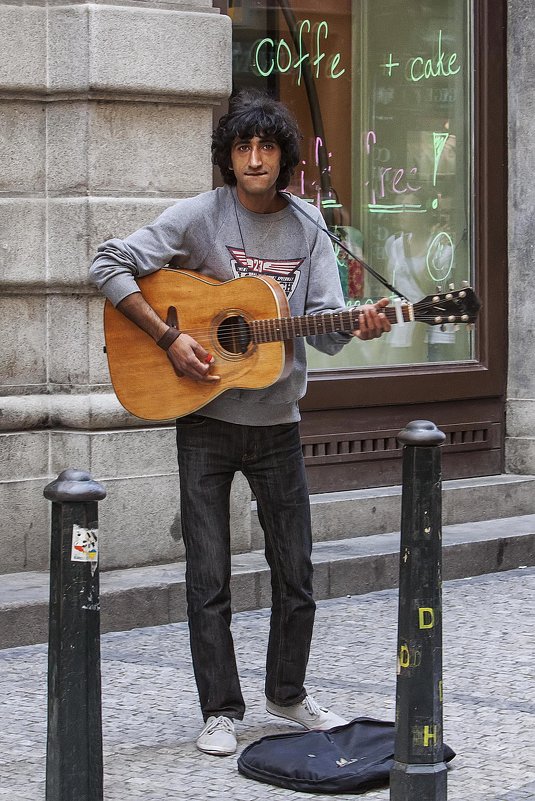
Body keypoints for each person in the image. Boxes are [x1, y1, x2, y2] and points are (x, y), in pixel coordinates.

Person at [90, 89, 391, 757]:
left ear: (283, 157)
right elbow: (106, 263)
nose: (254, 158)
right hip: (203, 417)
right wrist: (169, 340)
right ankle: (220, 709)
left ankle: (285, 691)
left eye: (266, 147)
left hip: (277, 422)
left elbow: (329, 330)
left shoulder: (309, 225)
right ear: (228, 158)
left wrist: (359, 323)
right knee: (209, 573)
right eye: (241, 148)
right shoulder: (202, 215)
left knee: (298, 571)